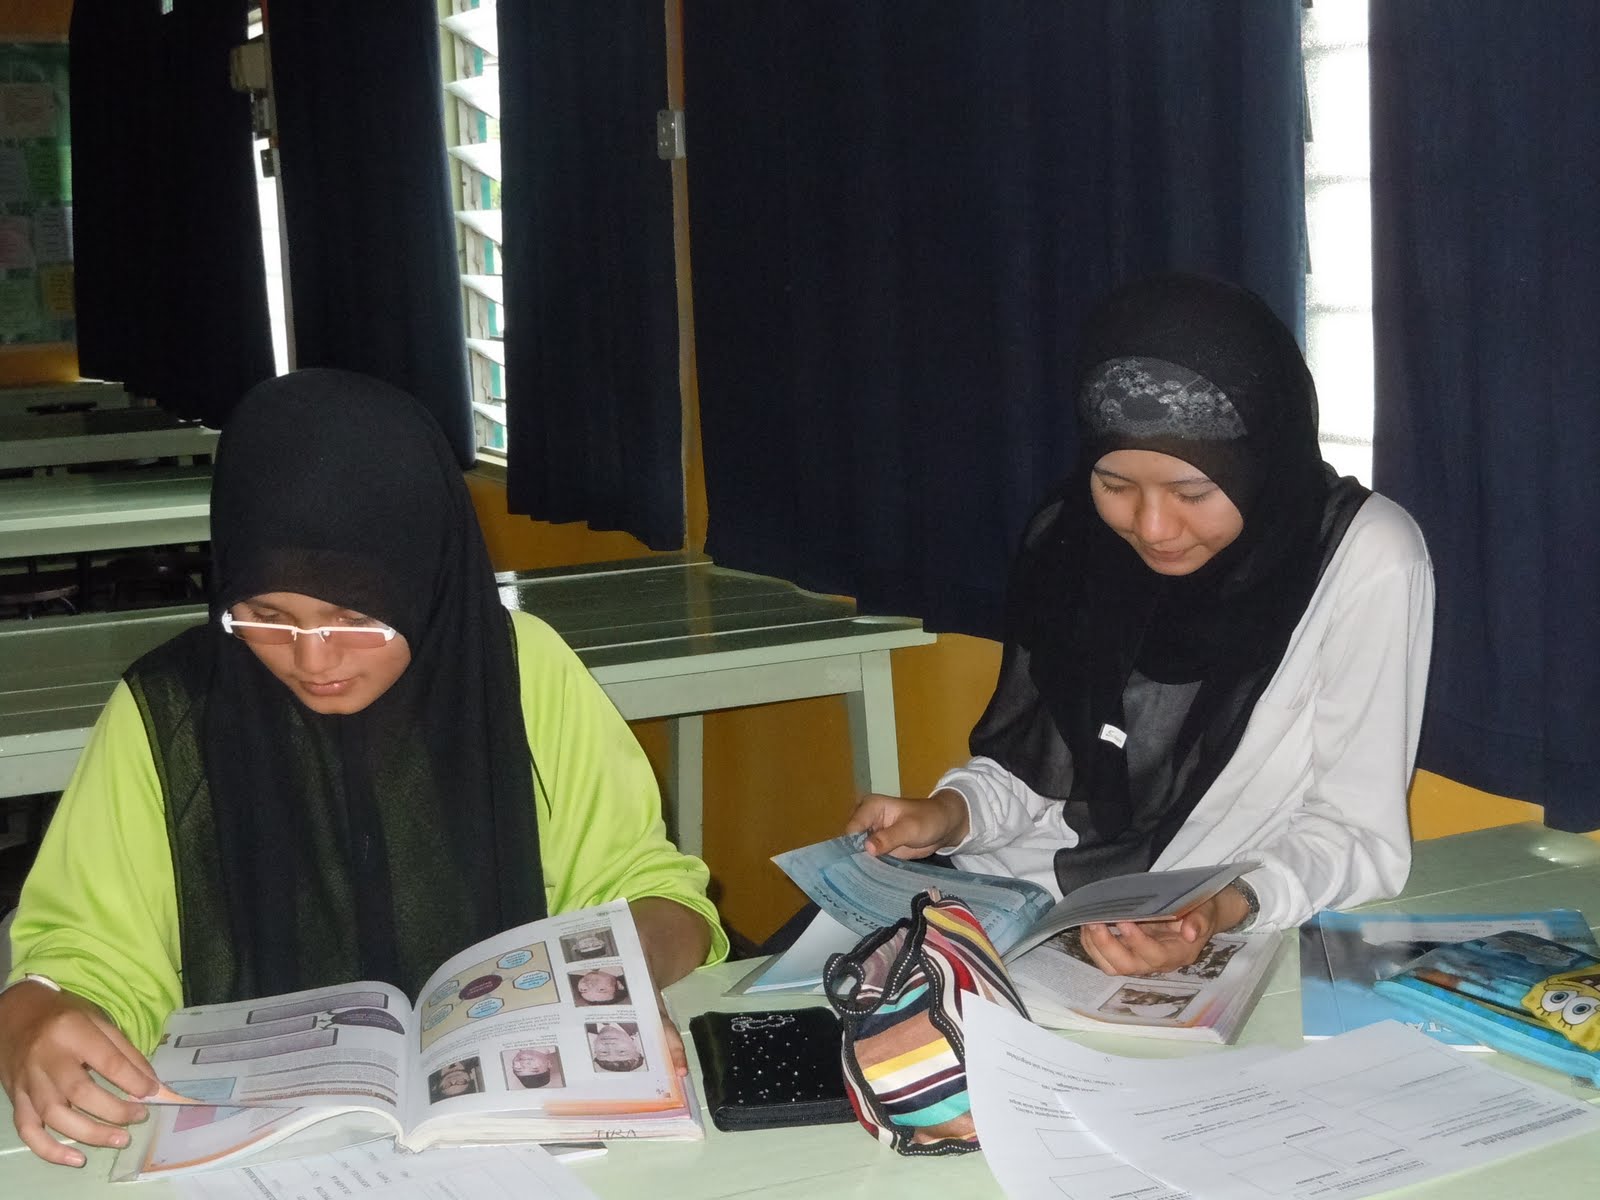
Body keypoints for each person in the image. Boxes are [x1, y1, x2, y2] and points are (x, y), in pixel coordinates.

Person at [0, 370, 725, 1167]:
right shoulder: (167, 715)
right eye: (267, 617)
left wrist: (615, 978)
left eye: (356, 619)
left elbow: (652, 889)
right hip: (262, 1158)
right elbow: (90, 954)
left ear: (427, 583)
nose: (313, 660)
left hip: (518, 1139)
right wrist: (31, 1014)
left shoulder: (523, 674)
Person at [849, 272, 1434, 978]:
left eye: (1193, 492)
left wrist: (1219, 904)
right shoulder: (1074, 535)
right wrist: (949, 813)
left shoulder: (1365, 557)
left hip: (1173, 929)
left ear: (1263, 464)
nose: (1152, 528)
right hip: (1002, 905)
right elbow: (1042, 772)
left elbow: (1358, 837)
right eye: (1115, 486)